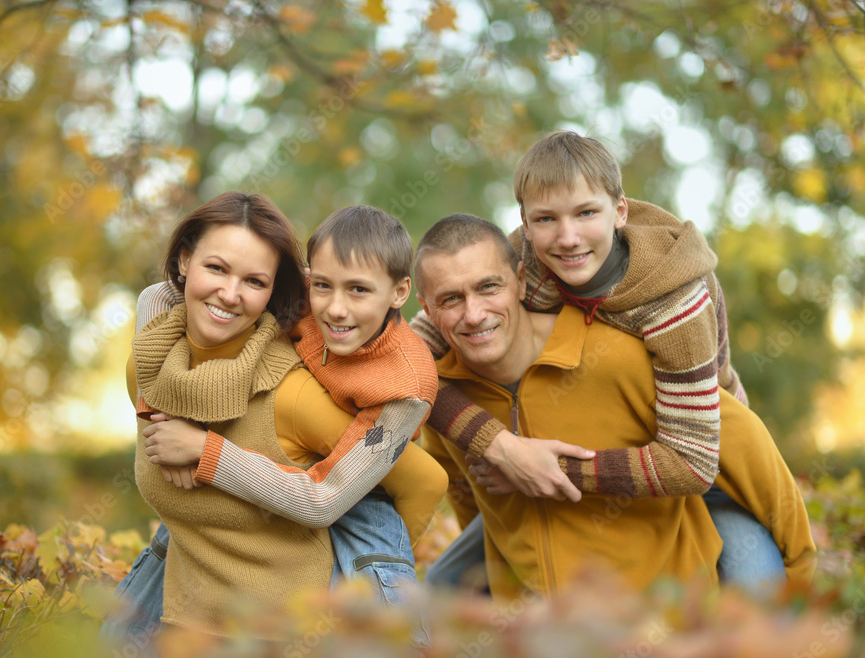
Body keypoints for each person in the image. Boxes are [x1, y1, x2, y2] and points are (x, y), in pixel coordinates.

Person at [412, 131, 784, 591]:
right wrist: (502, 448)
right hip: (582, 455)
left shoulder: (674, 303)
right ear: (525, 226)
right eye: (546, 218)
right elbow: (410, 364)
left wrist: (543, 470)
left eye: (586, 213)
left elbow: (692, 463)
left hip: (703, 453)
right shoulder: (518, 263)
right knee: (445, 584)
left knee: (757, 587)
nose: (567, 238)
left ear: (619, 212)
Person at [101, 195, 445, 649]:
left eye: (358, 290)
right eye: (216, 268)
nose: (336, 309)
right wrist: (160, 396)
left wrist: (365, 567)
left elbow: (402, 485)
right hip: (196, 603)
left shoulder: (389, 390)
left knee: (363, 527)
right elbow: (159, 293)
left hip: (340, 509)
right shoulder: (304, 295)